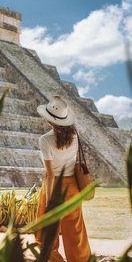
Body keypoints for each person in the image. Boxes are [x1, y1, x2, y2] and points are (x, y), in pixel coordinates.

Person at [35, 95, 91, 262]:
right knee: (75, 232)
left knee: (46, 232)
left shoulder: (45, 140)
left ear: (49, 120)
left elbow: (50, 173)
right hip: (72, 186)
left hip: (54, 187)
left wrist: (49, 202)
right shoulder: (75, 136)